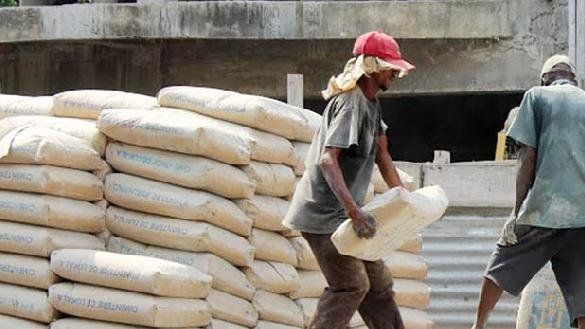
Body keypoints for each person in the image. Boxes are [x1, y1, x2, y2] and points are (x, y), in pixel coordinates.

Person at [283, 31, 415, 329]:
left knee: (379, 284)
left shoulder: (371, 103)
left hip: (346, 215)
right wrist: (355, 213)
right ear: (371, 66)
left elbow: (383, 155)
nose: (395, 72)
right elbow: (329, 160)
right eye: (389, 66)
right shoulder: (351, 102)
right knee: (351, 284)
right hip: (324, 216)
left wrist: (406, 200)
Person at [471, 54, 585, 329]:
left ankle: (478, 326)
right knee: (582, 290)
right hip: (582, 215)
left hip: (544, 208)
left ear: (545, 79)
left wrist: (515, 211)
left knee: (499, 266)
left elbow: (527, 157)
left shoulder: (536, 96)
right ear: (573, 78)